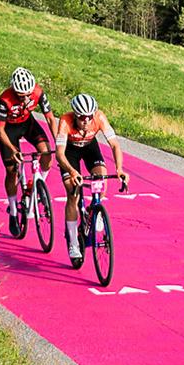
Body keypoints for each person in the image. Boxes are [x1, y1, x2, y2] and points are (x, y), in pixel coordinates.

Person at [53, 93, 126, 261]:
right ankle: (73, 242)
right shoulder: (65, 121)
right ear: (75, 115)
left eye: (89, 117)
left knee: (101, 179)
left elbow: (114, 144)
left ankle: (96, 211)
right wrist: (72, 171)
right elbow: (59, 154)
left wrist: (119, 169)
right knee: (73, 193)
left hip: (89, 147)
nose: (86, 120)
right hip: (70, 152)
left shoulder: (99, 117)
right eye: (81, 117)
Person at [0, 66, 56, 235]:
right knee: (12, 172)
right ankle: (14, 211)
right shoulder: (5, 99)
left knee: (46, 153)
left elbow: (50, 118)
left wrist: (59, 142)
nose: (25, 99)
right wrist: (13, 150)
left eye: (28, 95)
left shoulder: (38, 92)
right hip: (9, 131)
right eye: (21, 96)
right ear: (15, 91)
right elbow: (0, 131)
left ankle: (38, 186)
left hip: (28, 124)